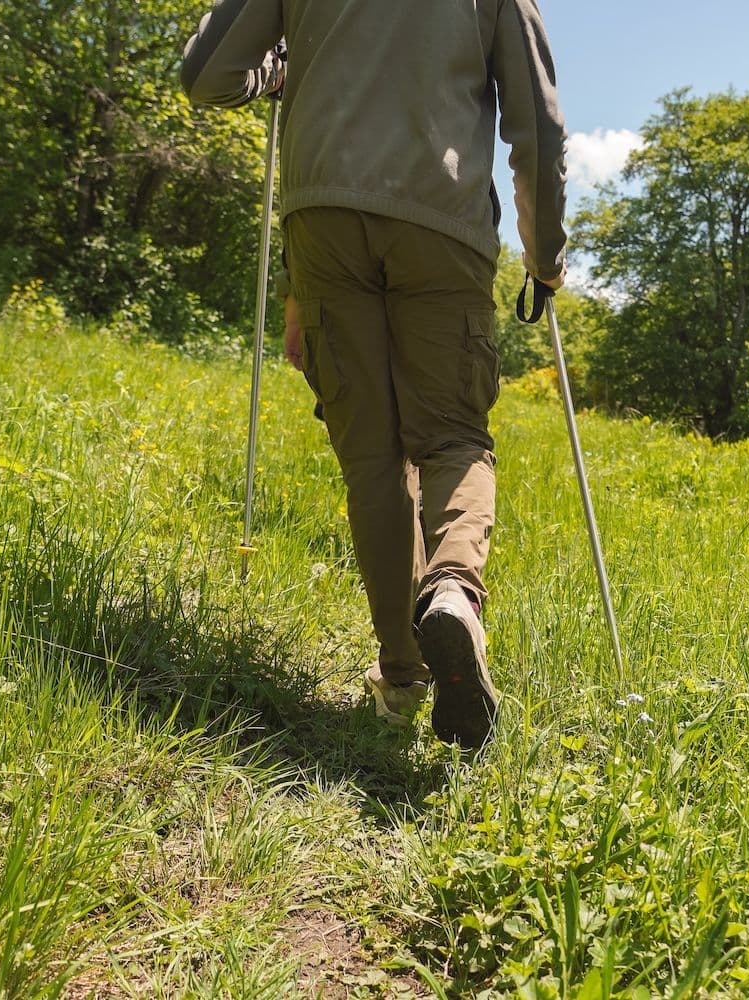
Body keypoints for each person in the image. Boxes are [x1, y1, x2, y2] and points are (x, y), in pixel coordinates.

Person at [182, 0, 567, 749]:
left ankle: (400, 677)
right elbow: (538, 127)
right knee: (454, 435)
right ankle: (453, 591)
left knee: (371, 459)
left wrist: (278, 73)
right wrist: (544, 255)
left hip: (322, 214)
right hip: (442, 221)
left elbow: (205, 75)